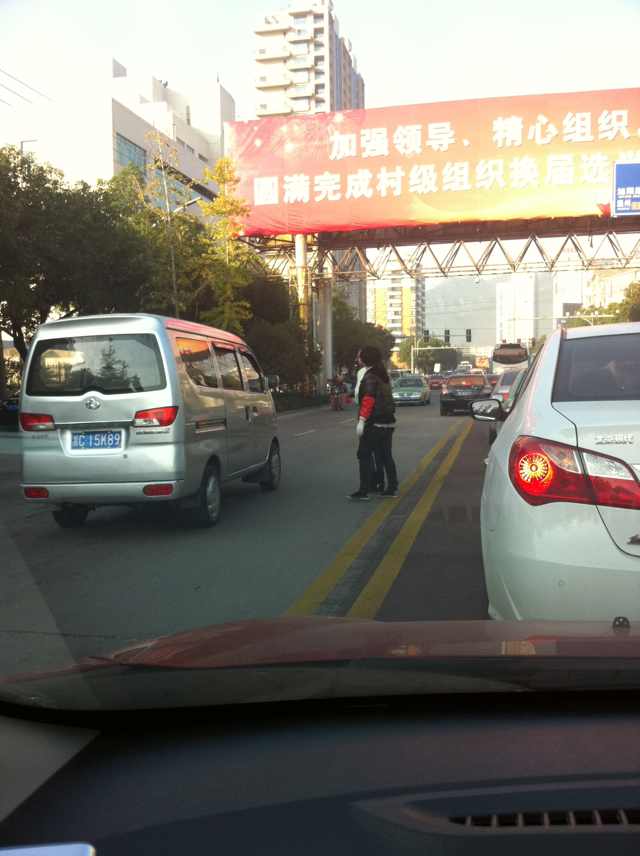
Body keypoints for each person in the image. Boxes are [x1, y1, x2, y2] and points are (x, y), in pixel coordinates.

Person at [349, 346, 398, 501]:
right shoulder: (382, 374)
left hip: (374, 423)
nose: (358, 359)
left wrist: (362, 421)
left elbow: (368, 399)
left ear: (366, 358)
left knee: (363, 454)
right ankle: (392, 488)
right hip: (388, 422)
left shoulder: (370, 376)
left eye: (360, 356)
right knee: (386, 456)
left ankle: (364, 490)